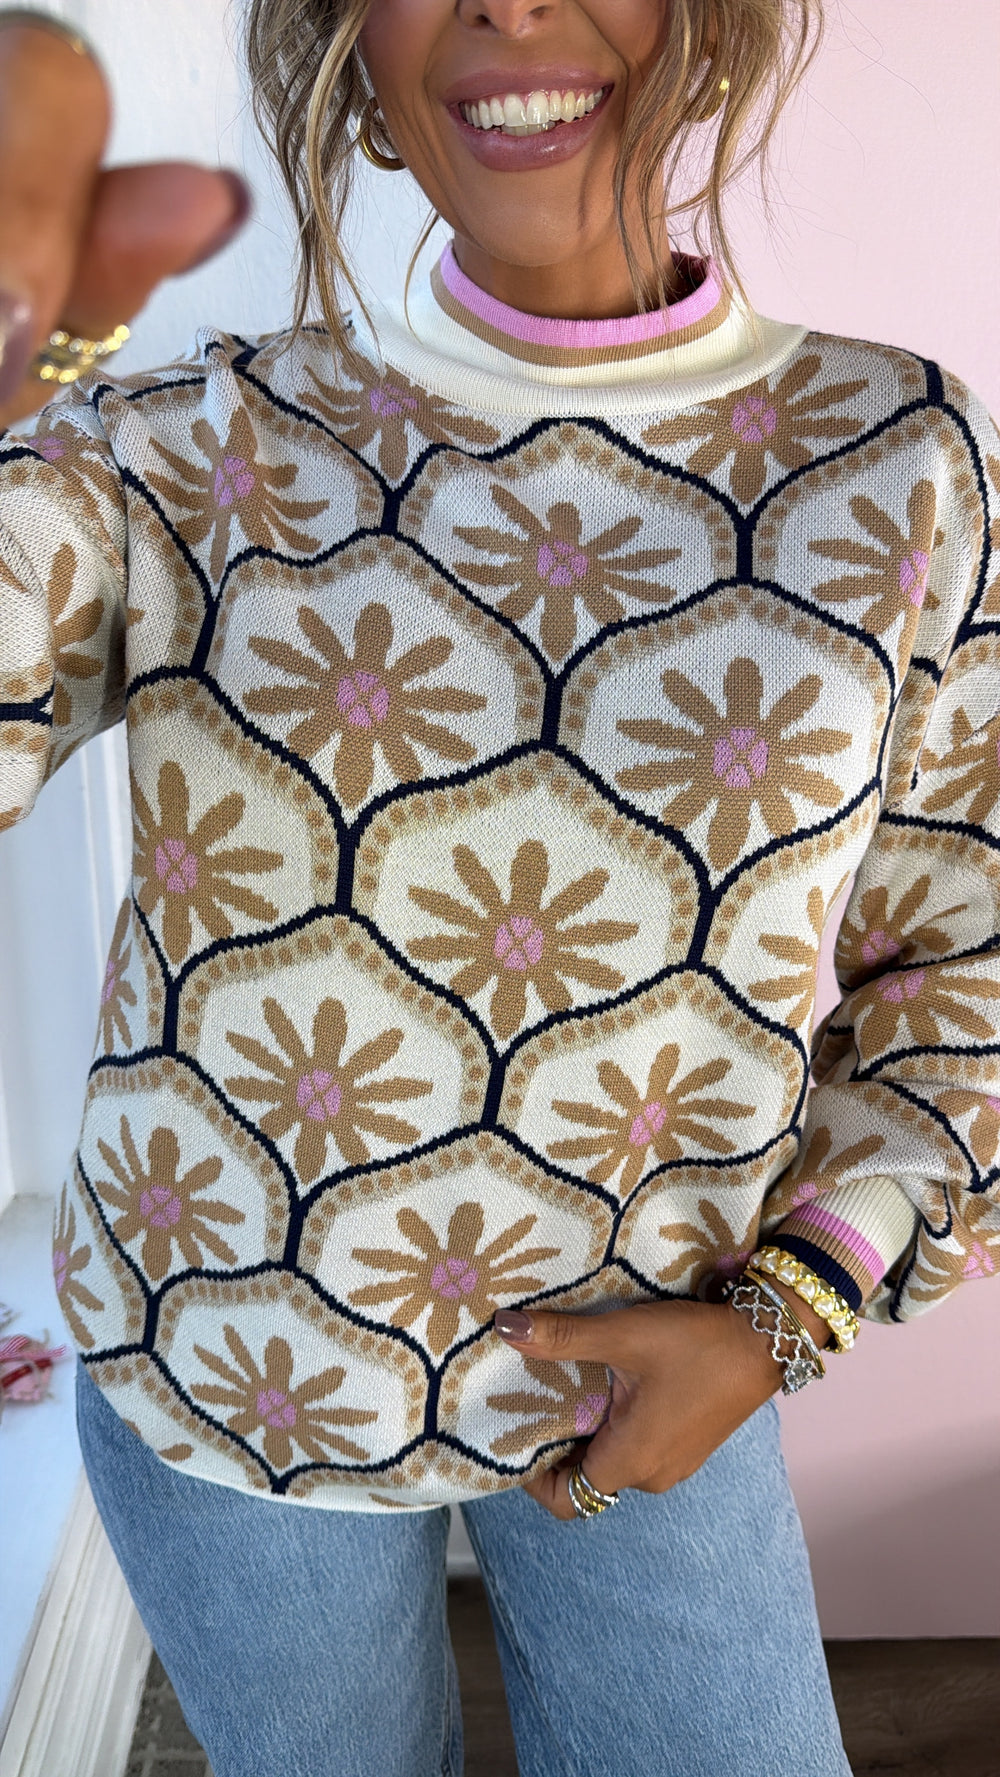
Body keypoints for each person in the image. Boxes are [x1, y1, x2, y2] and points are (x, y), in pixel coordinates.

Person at [0, 3, 996, 1772]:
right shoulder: (184, 447)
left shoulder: (897, 460)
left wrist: (793, 1309)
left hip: (665, 1347)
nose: (510, 2)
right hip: (229, 1369)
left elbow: (968, 953)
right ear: (356, 60)